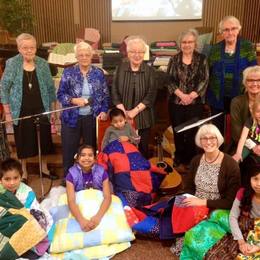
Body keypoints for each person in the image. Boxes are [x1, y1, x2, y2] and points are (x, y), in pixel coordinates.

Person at [172, 123, 240, 257]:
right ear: (199, 141)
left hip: (218, 209)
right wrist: (185, 200)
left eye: (212, 138)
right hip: (196, 203)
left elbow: (230, 202)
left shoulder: (231, 165)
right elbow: (189, 188)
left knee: (196, 240)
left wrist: (203, 203)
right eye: (204, 138)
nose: (208, 142)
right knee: (174, 206)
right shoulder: (196, 160)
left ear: (218, 139)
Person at [0, 33, 57, 181]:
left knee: (44, 139)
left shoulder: (43, 63)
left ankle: (43, 167)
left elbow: (51, 88)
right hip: (21, 109)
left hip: (41, 107)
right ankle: (23, 171)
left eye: (32, 47)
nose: (29, 51)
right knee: (23, 140)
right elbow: (4, 87)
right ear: (19, 48)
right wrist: (7, 112)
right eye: (25, 48)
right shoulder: (12, 63)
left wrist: (52, 109)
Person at [57, 41, 110, 176]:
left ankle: (91, 177)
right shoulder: (68, 72)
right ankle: (68, 178)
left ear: (92, 56)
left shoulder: (98, 73)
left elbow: (105, 95)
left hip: (92, 118)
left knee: (91, 151)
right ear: (76, 56)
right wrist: (73, 100)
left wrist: (104, 111)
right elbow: (60, 95)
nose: (84, 57)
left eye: (87, 54)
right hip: (71, 118)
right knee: (69, 150)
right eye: (81, 55)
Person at [207, 16, 257, 135]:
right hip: (218, 97)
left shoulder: (247, 46)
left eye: (233, 28)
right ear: (221, 32)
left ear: (239, 30)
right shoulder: (214, 49)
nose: (230, 32)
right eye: (226, 30)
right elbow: (208, 72)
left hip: (241, 97)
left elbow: (254, 71)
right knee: (218, 130)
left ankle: (237, 152)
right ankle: (220, 152)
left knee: (239, 129)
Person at [167, 29, 209, 171]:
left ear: (195, 43)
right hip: (176, 103)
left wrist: (191, 95)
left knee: (192, 132)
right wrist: (181, 95)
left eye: (190, 42)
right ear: (180, 44)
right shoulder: (174, 59)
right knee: (178, 131)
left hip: (195, 103)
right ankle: (179, 158)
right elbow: (169, 80)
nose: (187, 45)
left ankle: (191, 160)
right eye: (184, 42)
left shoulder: (202, 59)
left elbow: (205, 80)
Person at [111, 36, 157, 158]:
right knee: (123, 151)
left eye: (140, 52)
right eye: (133, 52)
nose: (137, 55)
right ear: (128, 53)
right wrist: (123, 112)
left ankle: (141, 175)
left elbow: (151, 95)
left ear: (144, 53)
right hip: (121, 118)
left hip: (143, 118)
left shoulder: (150, 71)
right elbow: (114, 91)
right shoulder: (120, 69)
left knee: (142, 150)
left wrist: (134, 112)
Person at [0, 158, 53, 258]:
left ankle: (26, 249)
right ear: (0, 180)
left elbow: (32, 211)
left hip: (24, 223)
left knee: (33, 223)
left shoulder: (27, 192)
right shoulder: (1, 192)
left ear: (21, 177)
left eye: (16, 178)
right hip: (8, 224)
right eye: (7, 179)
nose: (12, 183)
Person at [203, 165, 260, 259]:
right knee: (213, 255)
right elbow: (233, 216)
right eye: (255, 179)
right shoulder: (243, 192)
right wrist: (241, 241)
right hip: (244, 227)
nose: (258, 184)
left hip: (256, 234)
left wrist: (257, 247)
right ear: (249, 178)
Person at [66, 145, 111, 231]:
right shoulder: (71, 174)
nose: (86, 158)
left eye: (90, 155)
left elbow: (107, 197)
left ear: (95, 158)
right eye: (83, 155)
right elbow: (71, 200)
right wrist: (81, 220)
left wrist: (98, 217)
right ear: (77, 158)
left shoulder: (102, 172)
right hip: (80, 204)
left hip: (98, 203)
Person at [231, 65, 260, 151]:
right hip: (242, 145)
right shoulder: (237, 102)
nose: (254, 84)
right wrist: (254, 147)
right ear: (245, 83)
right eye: (250, 80)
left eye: (258, 80)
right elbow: (237, 133)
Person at [233, 95, 260, 162]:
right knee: (235, 159)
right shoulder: (250, 120)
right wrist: (238, 153)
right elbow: (243, 138)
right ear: (253, 111)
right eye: (258, 111)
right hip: (248, 144)